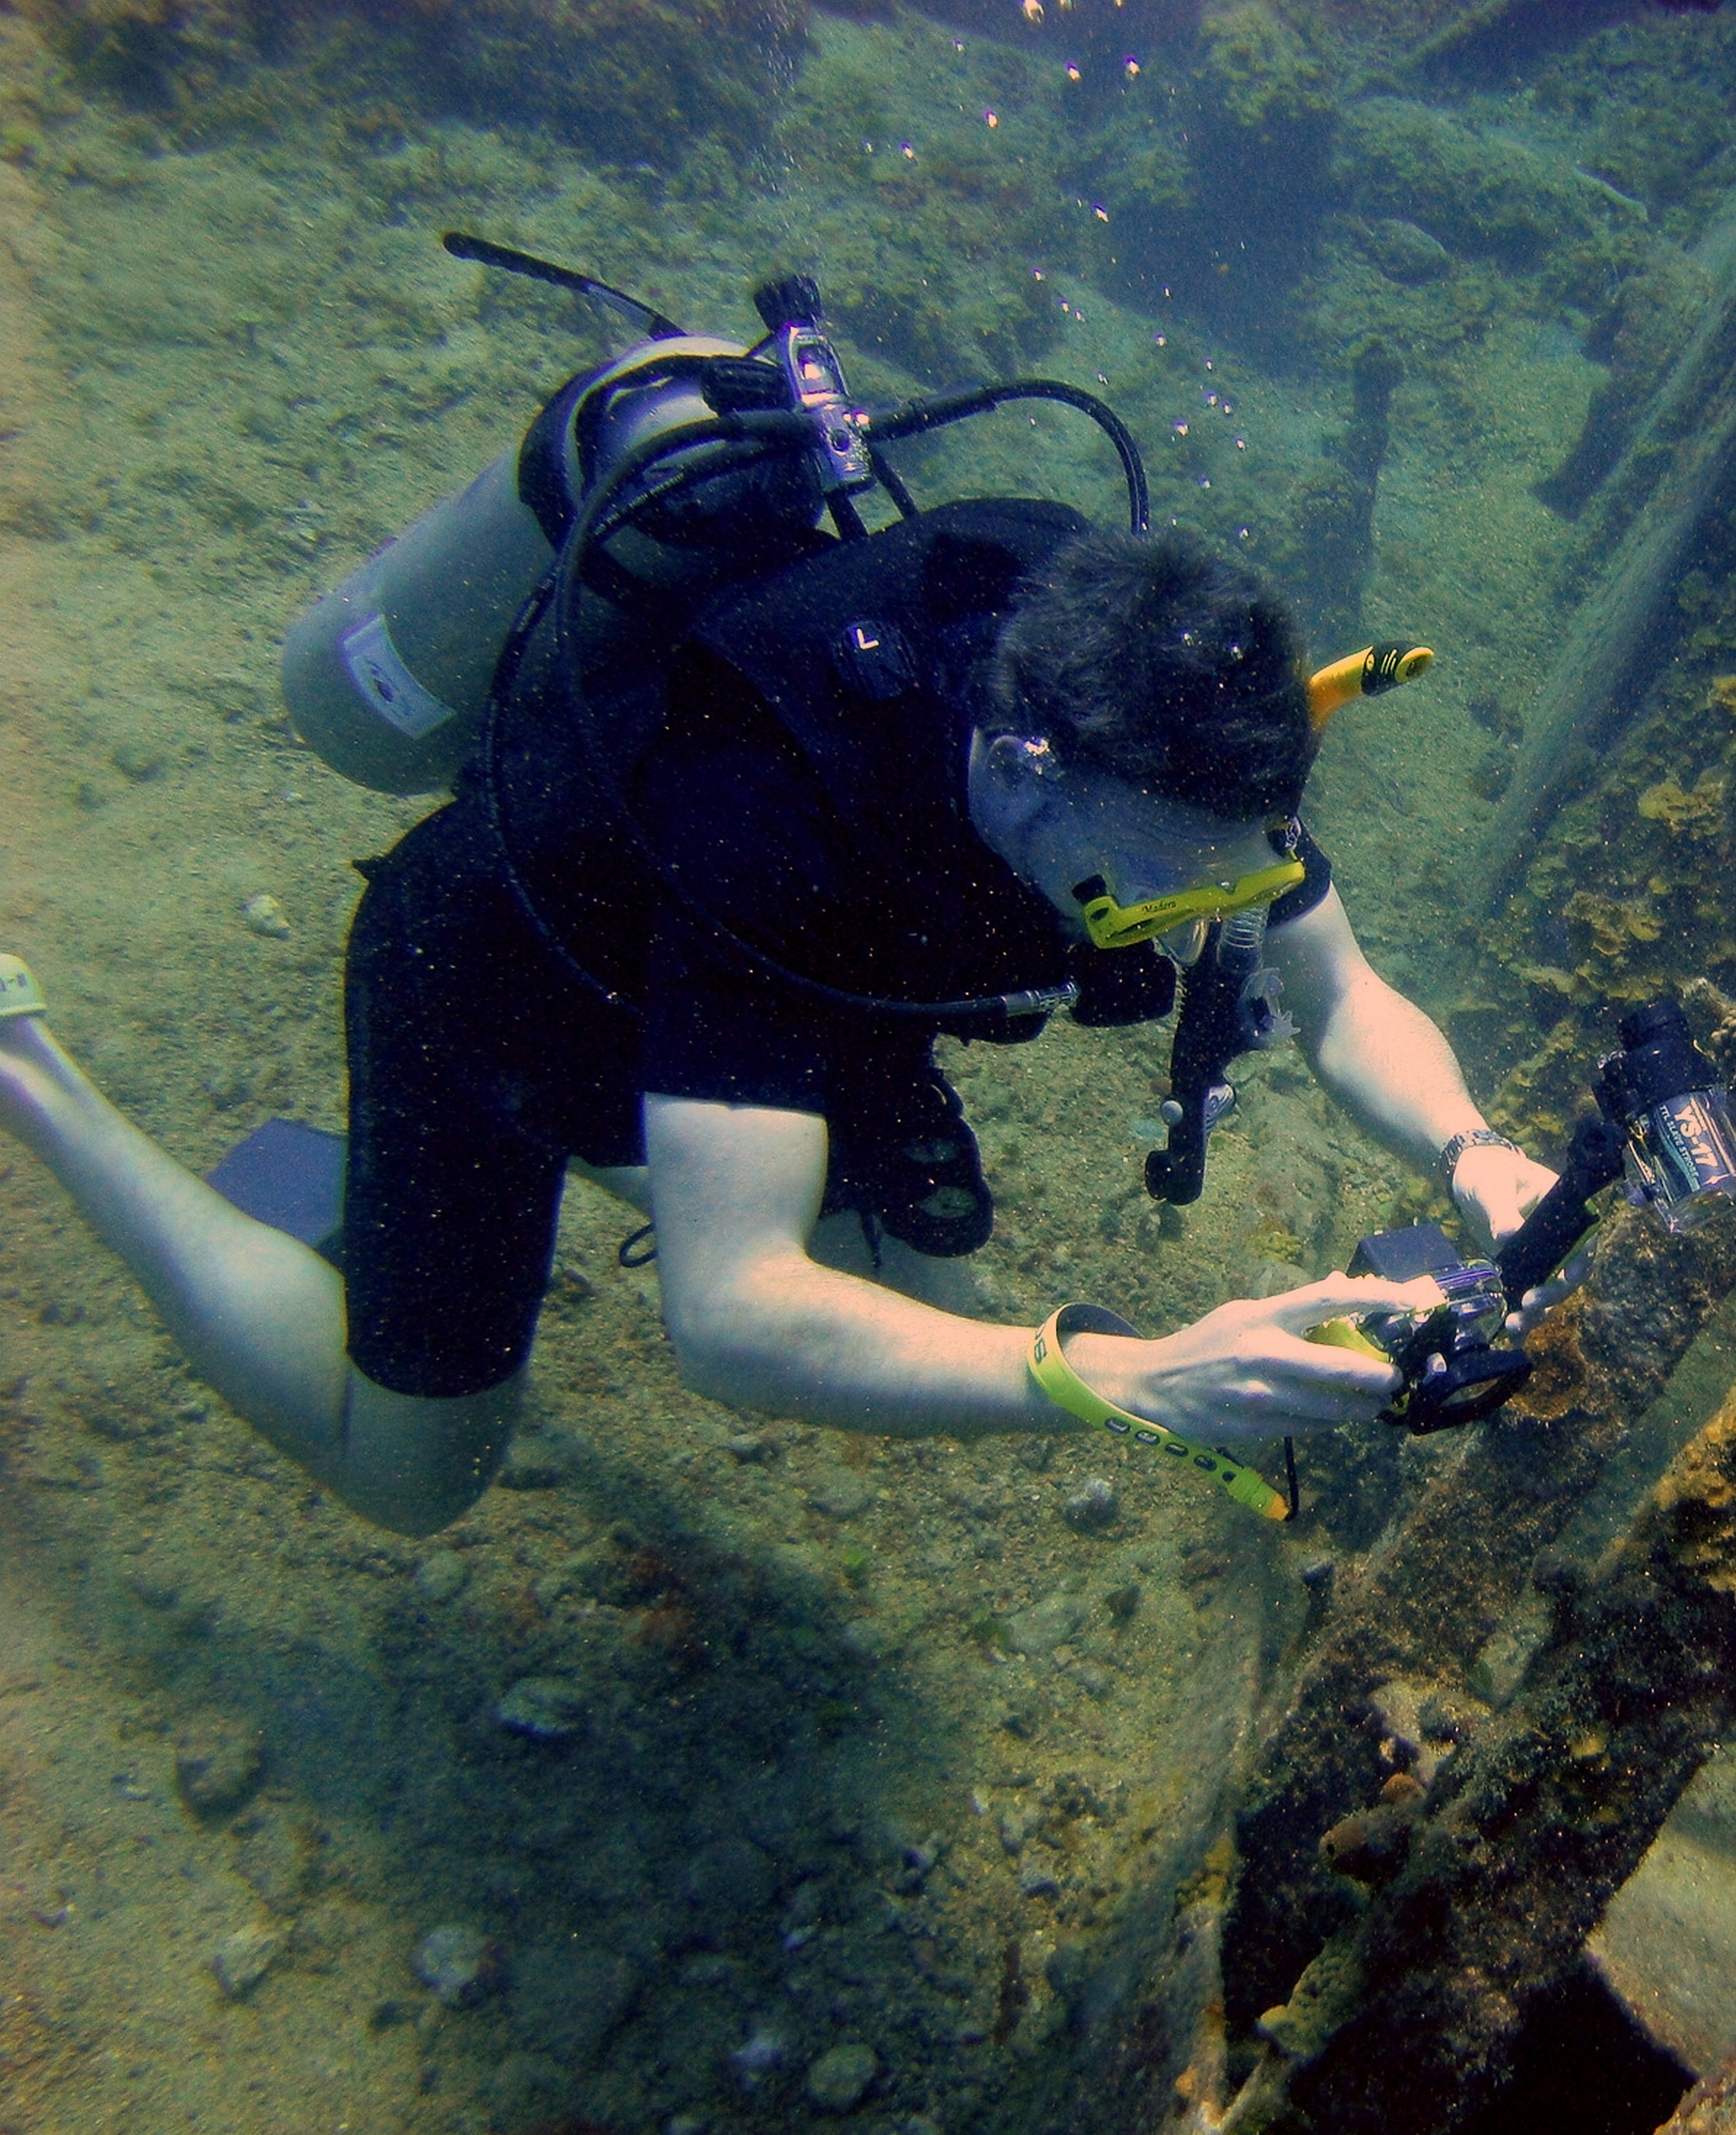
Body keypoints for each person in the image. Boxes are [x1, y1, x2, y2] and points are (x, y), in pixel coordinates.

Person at [0, 503, 1560, 1534]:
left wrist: (1475, 1149)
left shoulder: (1147, 719)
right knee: (417, 1477)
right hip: (508, 989)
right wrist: (1131, 1376)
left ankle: (682, 1172)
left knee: (927, 1285)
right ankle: (34, 1070)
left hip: (770, 983)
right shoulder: (775, 819)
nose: (1204, 916)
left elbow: (1340, 991)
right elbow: (733, 1328)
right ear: (1020, 772)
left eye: (1243, 871)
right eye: (1162, 889)